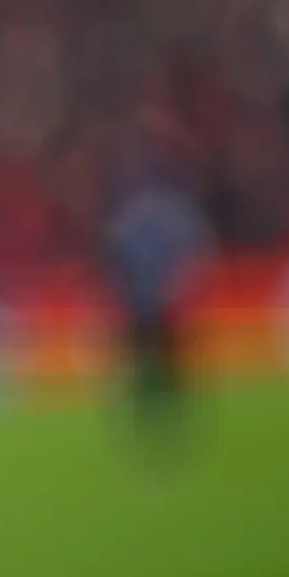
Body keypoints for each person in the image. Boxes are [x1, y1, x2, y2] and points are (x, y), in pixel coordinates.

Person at [100, 160, 211, 446]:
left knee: (162, 365)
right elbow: (116, 267)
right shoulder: (144, 223)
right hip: (143, 308)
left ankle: (161, 414)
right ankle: (152, 414)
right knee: (147, 366)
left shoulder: (134, 223)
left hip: (155, 309)